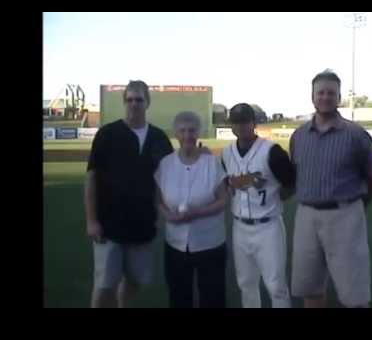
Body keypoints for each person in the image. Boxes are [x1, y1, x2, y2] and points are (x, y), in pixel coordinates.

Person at [289, 69, 372, 308]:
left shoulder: (356, 135)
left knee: (354, 293)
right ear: (312, 96)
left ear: (339, 97)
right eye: (320, 92)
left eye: (331, 93)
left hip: (345, 215)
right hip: (307, 215)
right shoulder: (299, 136)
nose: (325, 97)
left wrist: (358, 205)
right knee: (309, 287)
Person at [84, 80, 173, 308]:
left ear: (147, 103)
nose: (134, 104)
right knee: (104, 285)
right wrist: (92, 220)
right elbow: (92, 178)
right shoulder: (107, 134)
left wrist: (199, 154)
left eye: (139, 99)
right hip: (109, 225)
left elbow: (171, 176)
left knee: (136, 280)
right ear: (124, 102)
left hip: (142, 225)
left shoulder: (159, 139)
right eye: (130, 99)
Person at [221, 103, 295, 308]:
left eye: (245, 121)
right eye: (236, 122)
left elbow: (290, 182)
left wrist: (275, 199)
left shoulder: (272, 151)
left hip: (268, 227)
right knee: (246, 283)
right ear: (231, 126)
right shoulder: (227, 153)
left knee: (276, 285)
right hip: (240, 228)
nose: (241, 126)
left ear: (253, 123)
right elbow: (228, 184)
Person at [154, 111, 228, 308]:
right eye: (183, 130)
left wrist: (198, 213)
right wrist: (167, 214)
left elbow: (223, 199)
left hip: (210, 242)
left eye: (192, 130)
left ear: (199, 133)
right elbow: (159, 200)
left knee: (212, 297)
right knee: (179, 296)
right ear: (176, 134)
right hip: (175, 243)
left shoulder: (211, 163)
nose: (187, 135)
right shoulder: (166, 164)